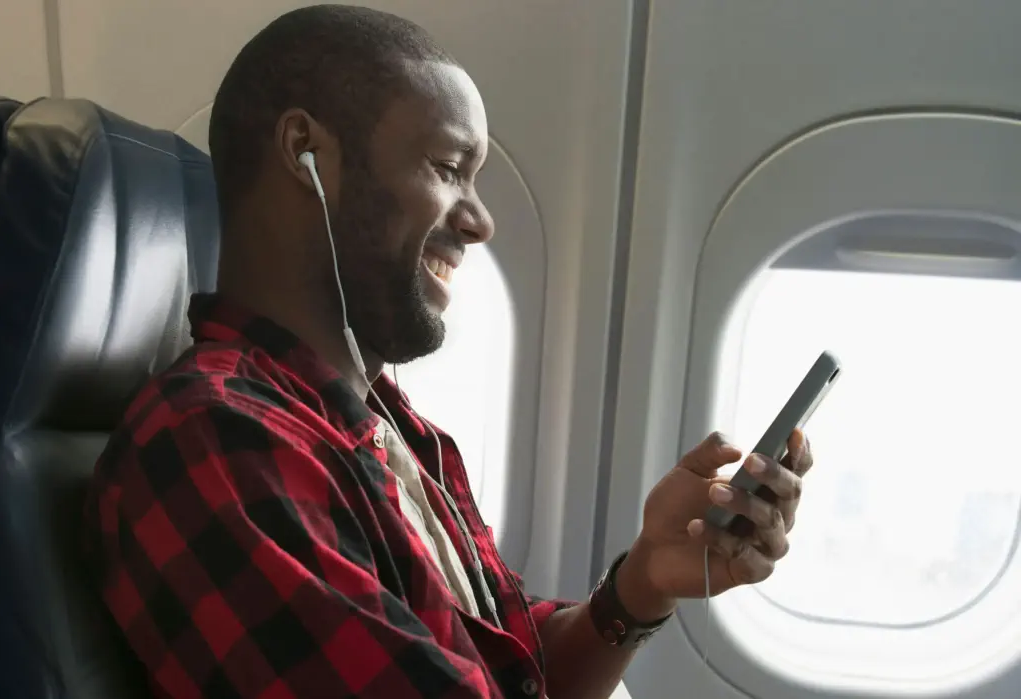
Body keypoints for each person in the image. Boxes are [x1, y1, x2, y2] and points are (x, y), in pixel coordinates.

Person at [83, 5, 814, 699]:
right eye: (447, 167)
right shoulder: (214, 439)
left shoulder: (390, 427)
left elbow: (518, 674)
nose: (482, 220)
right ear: (306, 151)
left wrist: (648, 575)